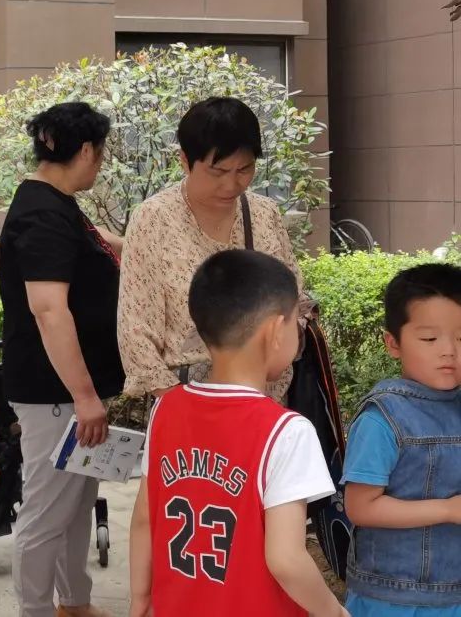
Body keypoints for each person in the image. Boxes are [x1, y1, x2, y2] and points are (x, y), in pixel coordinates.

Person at [128, 249, 346, 617]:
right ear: (275, 331)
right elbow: (286, 560)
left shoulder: (166, 409)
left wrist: (139, 599)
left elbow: (144, 519)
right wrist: (334, 611)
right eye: (296, 321)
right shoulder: (287, 433)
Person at [0, 102, 125, 617]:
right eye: (102, 154)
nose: (101, 164)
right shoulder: (43, 214)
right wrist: (85, 396)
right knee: (47, 511)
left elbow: (103, 246)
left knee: (74, 506)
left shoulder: (55, 203)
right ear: (87, 150)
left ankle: (74, 603)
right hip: (57, 394)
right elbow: (49, 311)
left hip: (70, 391)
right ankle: (34, 610)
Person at [118, 96, 307, 402]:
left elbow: (294, 301)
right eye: (217, 172)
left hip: (263, 402)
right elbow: (135, 331)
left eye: (244, 169)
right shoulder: (154, 219)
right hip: (183, 401)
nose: (231, 185)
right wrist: (181, 406)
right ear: (185, 160)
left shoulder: (264, 214)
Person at [341, 264, 461, 617]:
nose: (449, 351)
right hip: (393, 599)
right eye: (429, 339)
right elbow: (360, 507)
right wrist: (447, 510)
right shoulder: (383, 418)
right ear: (393, 343)